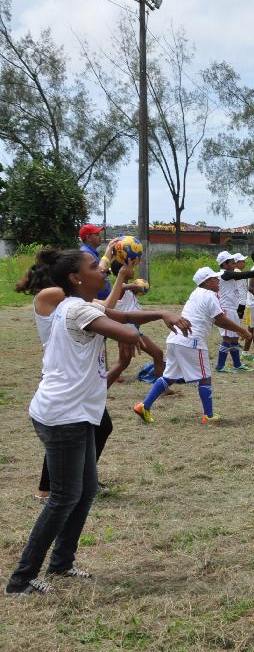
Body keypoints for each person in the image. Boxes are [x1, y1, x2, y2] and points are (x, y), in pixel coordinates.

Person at [6, 249, 189, 596]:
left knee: (85, 490)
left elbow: (117, 313)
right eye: (94, 267)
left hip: (74, 412)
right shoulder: (76, 309)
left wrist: (163, 312)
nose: (101, 270)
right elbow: (124, 330)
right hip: (63, 415)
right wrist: (142, 341)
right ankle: (21, 579)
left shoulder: (79, 306)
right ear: (76, 278)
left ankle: (61, 563)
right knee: (63, 497)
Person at [134, 267, 251, 425]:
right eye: (215, 279)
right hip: (192, 342)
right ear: (207, 282)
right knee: (204, 378)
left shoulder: (195, 293)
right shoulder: (209, 295)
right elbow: (220, 319)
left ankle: (144, 406)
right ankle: (208, 415)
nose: (218, 281)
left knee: (169, 376)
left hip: (175, 339)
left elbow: (216, 319)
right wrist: (241, 330)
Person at [104, 261, 166, 386]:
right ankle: (101, 385)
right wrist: (132, 286)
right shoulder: (120, 288)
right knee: (123, 362)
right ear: (124, 270)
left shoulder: (128, 290)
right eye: (131, 268)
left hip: (134, 330)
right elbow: (120, 287)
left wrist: (132, 288)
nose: (134, 270)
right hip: (125, 332)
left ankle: (162, 388)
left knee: (158, 354)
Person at [213, 250, 254, 373]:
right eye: (232, 263)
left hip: (232, 310)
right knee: (227, 339)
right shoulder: (224, 275)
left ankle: (237, 364)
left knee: (234, 339)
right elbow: (242, 275)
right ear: (225, 264)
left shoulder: (229, 274)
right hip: (226, 311)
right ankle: (220, 366)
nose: (234, 265)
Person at [78, 224, 112, 301]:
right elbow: (97, 274)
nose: (100, 237)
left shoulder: (92, 252)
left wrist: (111, 270)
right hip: (95, 300)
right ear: (88, 238)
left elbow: (98, 272)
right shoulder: (86, 253)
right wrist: (106, 257)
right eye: (96, 234)